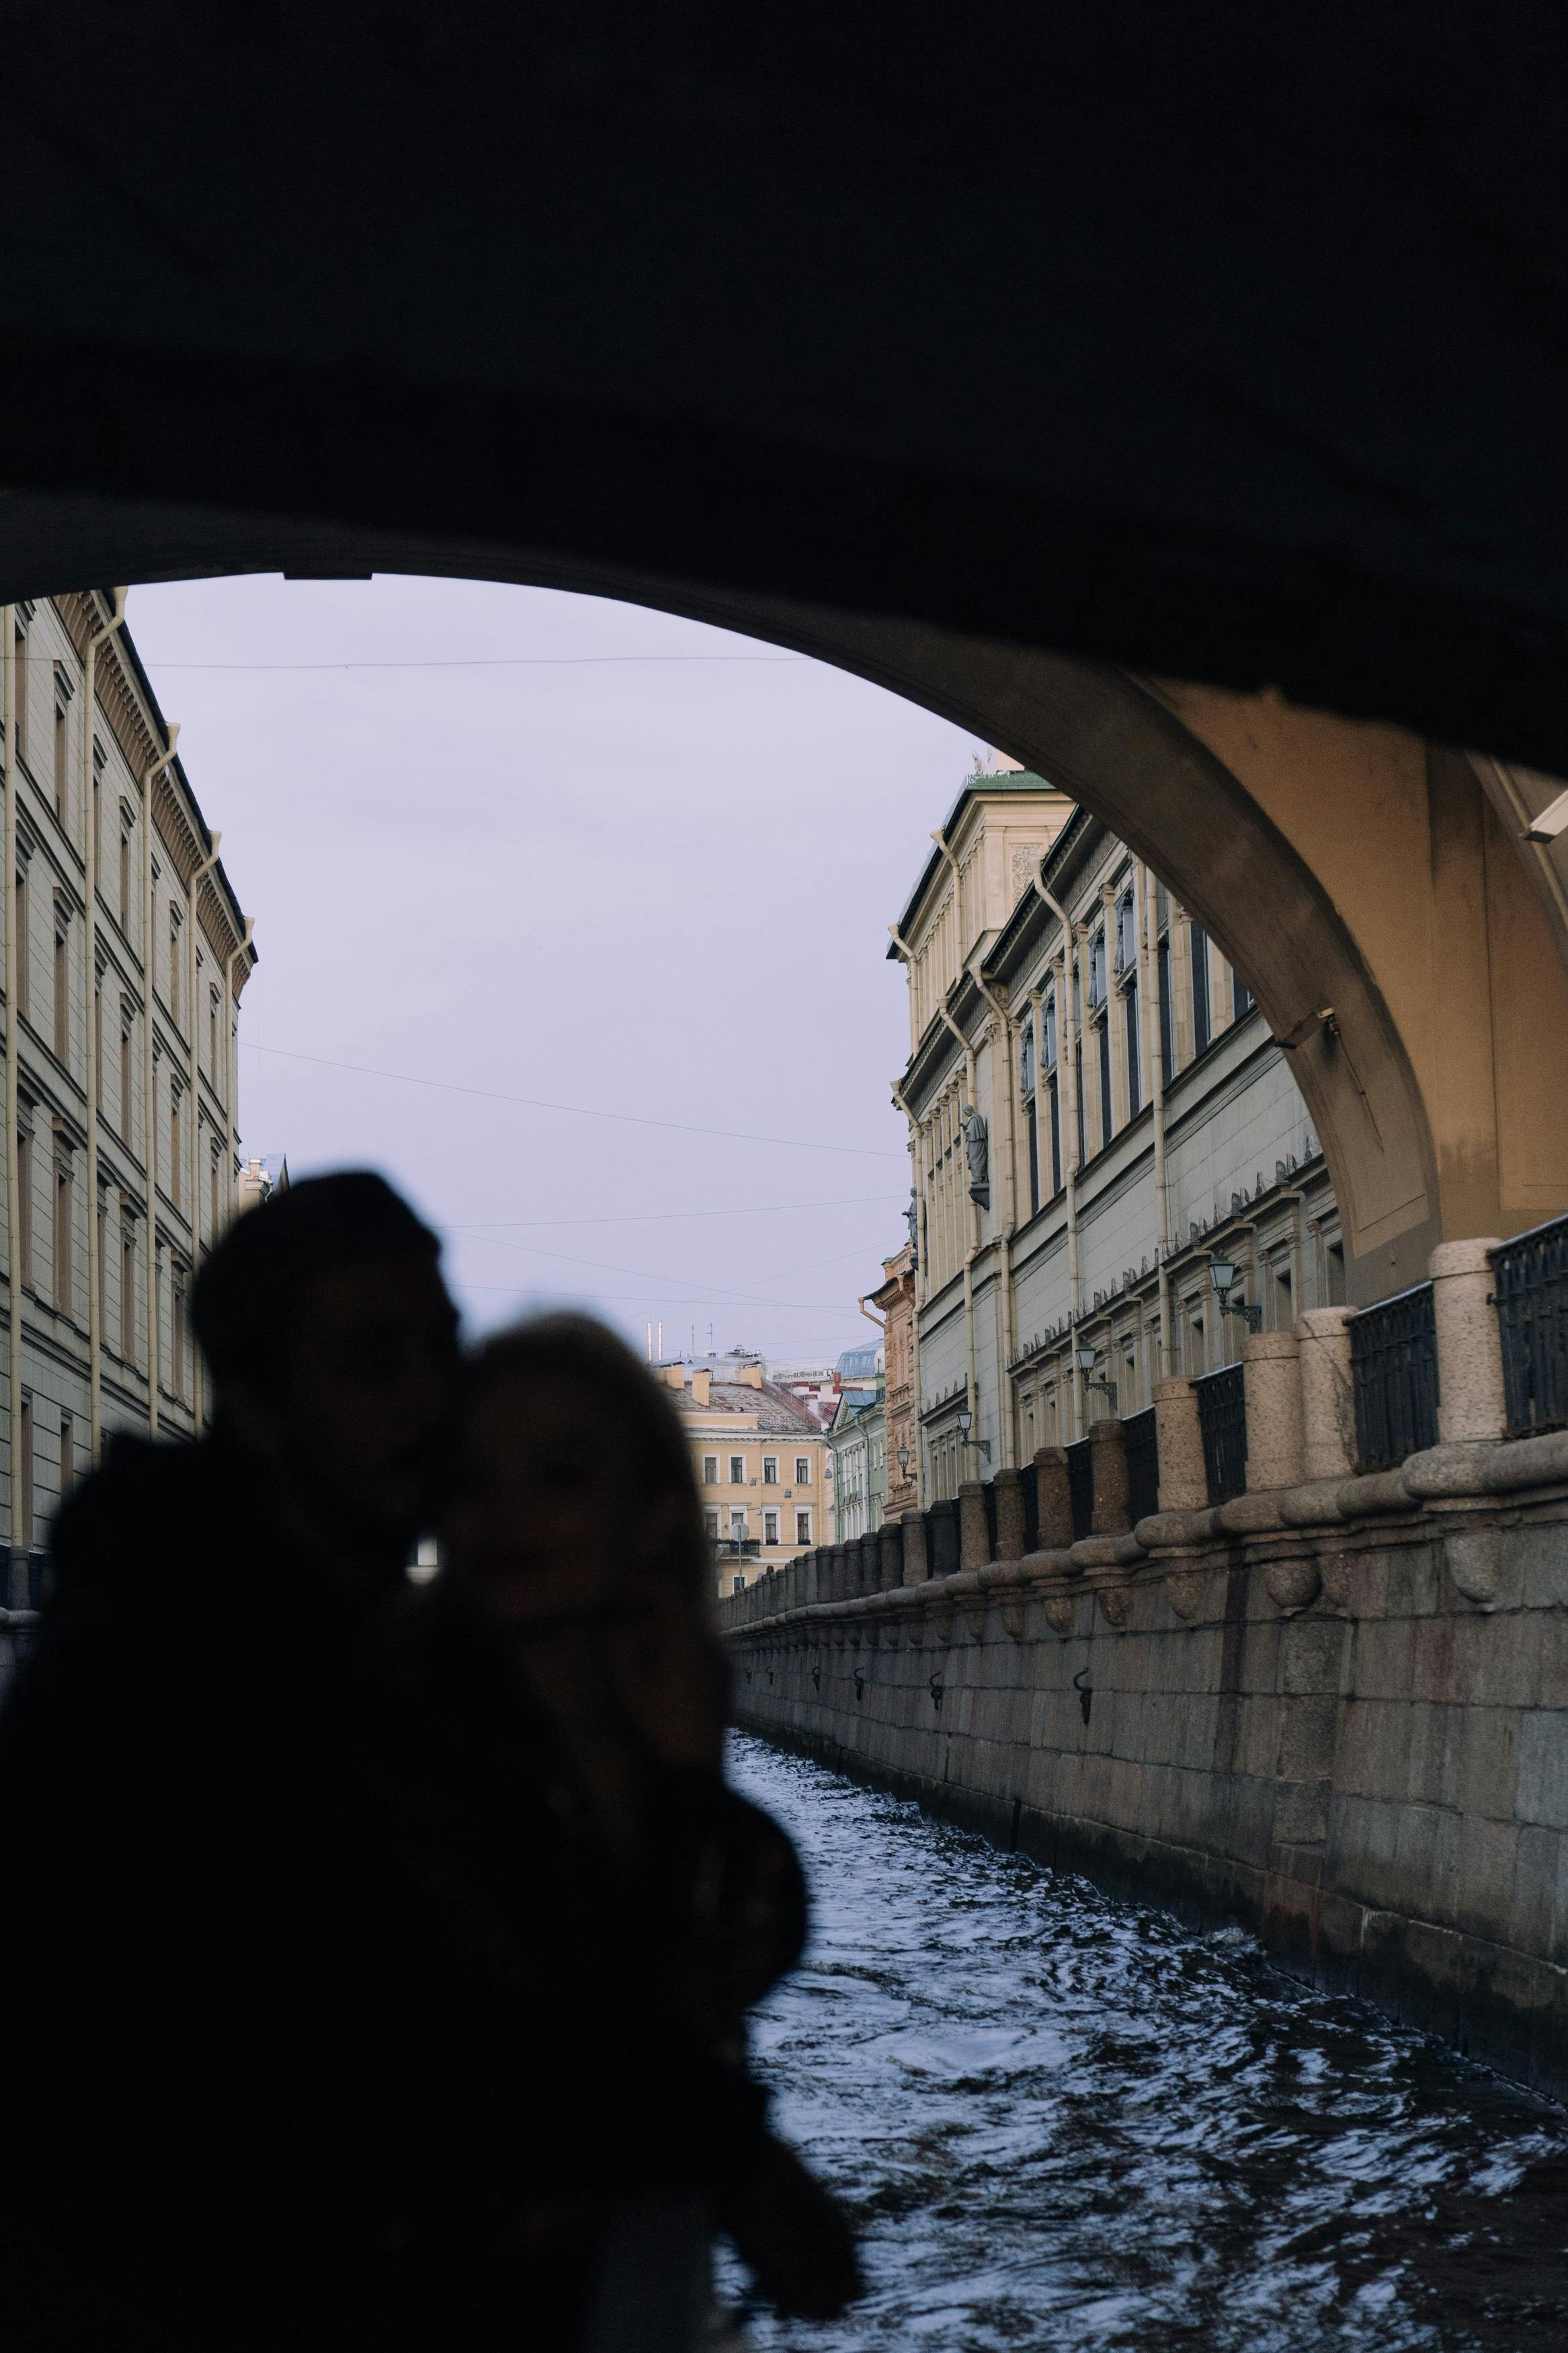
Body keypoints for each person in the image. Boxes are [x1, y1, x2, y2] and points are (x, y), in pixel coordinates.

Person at [0, 1171, 464, 2351]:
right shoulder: (166, 1696)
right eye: (372, 1359)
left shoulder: (332, 1635)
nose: (429, 1400)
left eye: (439, 1349)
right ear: (258, 1403)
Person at [350, 1313, 860, 2348]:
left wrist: (674, 1784)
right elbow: (782, 2232)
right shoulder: (377, 1767)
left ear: (657, 1517)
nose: (508, 1515)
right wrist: (675, 1795)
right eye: (477, 1478)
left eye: (563, 1475)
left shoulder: (618, 1770)